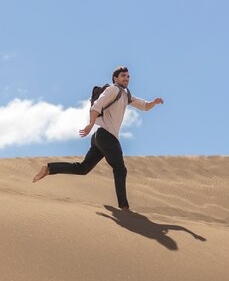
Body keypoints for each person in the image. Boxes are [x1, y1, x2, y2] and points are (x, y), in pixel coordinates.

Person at [32, 66, 164, 211]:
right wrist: (90, 124)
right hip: (106, 136)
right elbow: (97, 105)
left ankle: (49, 168)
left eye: (128, 76)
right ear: (115, 78)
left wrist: (154, 102)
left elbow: (144, 106)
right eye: (123, 76)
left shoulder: (126, 94)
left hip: (100, 137)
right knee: (120, 169)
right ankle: (124, 206)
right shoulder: (113, 90)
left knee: (83, 168)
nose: (126, 78)